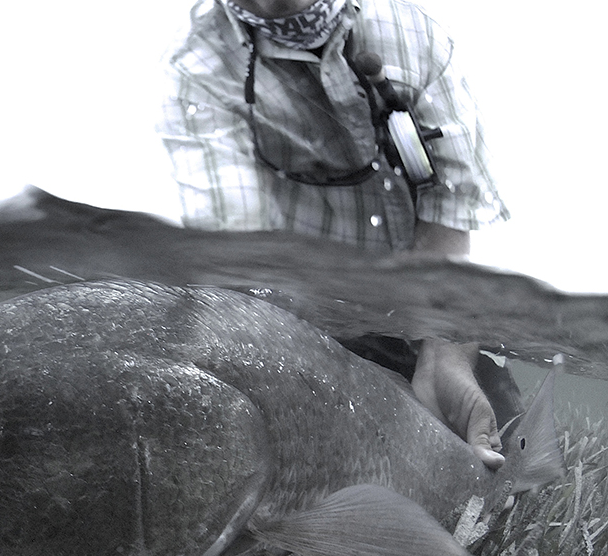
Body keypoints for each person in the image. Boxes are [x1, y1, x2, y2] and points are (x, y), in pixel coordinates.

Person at [159, 0, 511, 468]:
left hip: (421, 306)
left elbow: (451, 205)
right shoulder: (198, 65)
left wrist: (444, 352)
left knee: (504, 434)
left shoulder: (417, 35)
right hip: (304, 322)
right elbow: (239, 259)